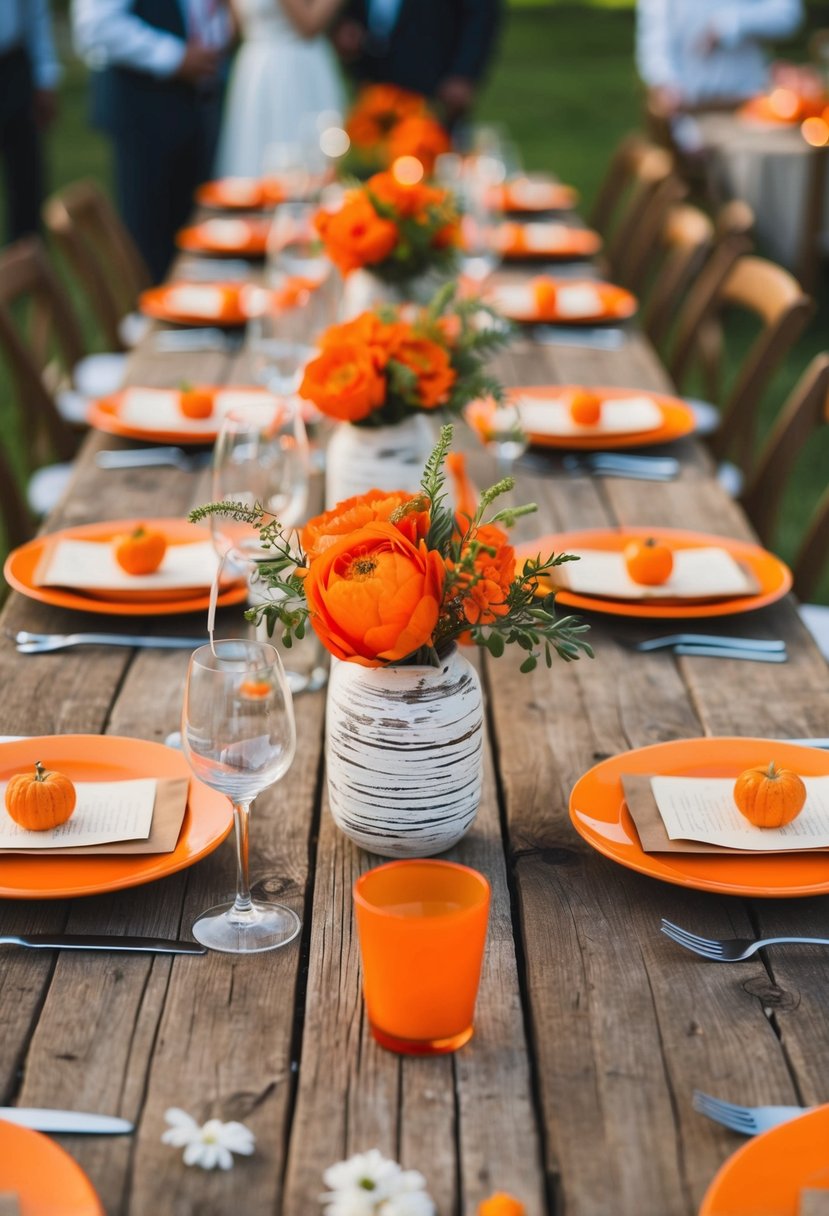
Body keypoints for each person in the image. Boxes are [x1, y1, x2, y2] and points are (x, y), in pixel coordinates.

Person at [72, 0, 234, 282]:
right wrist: (173, 56)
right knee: (151, 246)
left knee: (199, 233)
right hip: (144, 108)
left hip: (198, 104)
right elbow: (95, 24)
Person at [215, 0, 346, 178]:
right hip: (254, 74)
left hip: (299, 72)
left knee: (306, 163)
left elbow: (309, 26)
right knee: (250, 162)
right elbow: (231, 30)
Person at [332, 0, 502, 127]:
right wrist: (348, 22)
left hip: (434, 76)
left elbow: (480, 11)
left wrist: (464, 72)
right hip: (371, 75)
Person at [636, 0, 804, 113]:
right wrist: (666, 85)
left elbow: (787, 14)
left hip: (749, 104)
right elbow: (654, 44)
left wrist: (731, 23)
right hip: (689, 110)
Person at [0, 0, 60, 244]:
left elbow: (35, 9)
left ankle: (29, 277)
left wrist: (45, 74)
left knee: (27, 187)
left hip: (13, 64)